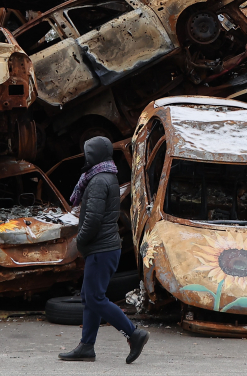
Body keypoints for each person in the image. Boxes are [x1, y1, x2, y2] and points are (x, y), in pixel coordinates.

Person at [58, 136, 148, 364]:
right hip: (104, 248)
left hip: (101, 249)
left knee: (95, 298)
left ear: (95, 155)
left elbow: (93, 219)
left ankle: (133, 334)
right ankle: (86, 346)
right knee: (90, 297)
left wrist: (80, 242)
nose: (86, 157)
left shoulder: (99, 180)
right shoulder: (107, 176)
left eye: (88, 152)